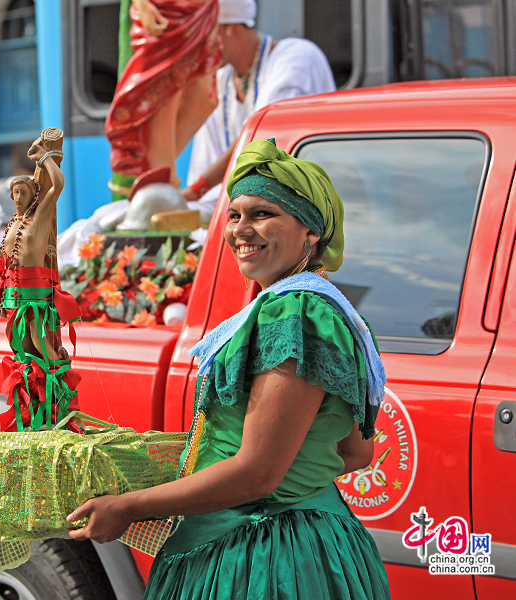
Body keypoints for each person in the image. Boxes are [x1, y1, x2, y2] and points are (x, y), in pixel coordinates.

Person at [67, 139, 391, 600]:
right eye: (235, 214)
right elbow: (356, 452)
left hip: (265, 558)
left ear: (311, 233)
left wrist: (130, 506)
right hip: (319, 545)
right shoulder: (337, 313)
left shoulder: (292, 314)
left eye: (263, 214)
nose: (242, 229)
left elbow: (256, 474)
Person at [182, 0, 336, 204]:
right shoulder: (220, 79)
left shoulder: (298, 58)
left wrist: (197, 190)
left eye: (201, 35)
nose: (196, 46)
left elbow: (263, 140)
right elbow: (205, 166)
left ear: (229, 27)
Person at [0, 133, 82, 432]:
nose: (18, 197)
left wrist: (44, 156)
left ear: (33, 195)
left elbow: (58, 185)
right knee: (25, 353)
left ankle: (65, 406)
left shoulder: (38, 218)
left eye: (24, 192)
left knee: (45, 349)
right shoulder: (12, 226)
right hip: (15, 300)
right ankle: (35, 415)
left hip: (38, 298)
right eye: (14, 192)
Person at [106, 0, 220, 186]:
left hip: (201, 8)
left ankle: (154, 175)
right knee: (165, 96)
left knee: (204, 98)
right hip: (168, 10)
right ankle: (163, 179)